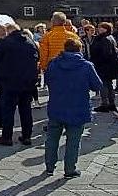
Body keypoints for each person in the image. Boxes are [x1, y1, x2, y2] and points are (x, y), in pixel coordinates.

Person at [44, 39, 103, 177]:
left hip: (56, 104)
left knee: (52, 137)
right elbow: (97, 85)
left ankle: (49, 166)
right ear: (80, 49)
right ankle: (70, 169)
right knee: (73, 140)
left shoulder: (53, 63)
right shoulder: (86, 66)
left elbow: (47, 80)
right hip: (78, 105)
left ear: (65, 48)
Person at [0, 24, 39, 146]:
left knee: (8, 110)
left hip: (9, 82)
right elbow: (36, 58)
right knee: (26, 110)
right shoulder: (30, 42)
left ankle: (7, 137)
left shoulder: (6, 43)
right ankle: (27, 136)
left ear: (9, 31)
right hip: (28, 82)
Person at [89, 22, 118, 112]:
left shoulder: (104, 39)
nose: (99, 29)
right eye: (99, 27)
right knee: (108, 84)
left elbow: (106, 53)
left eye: (102, 28)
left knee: (104, 84)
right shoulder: (108, 37)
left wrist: (97, 61)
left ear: (106, 29)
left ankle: (105, 104)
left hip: (104, 65)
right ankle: (110, 104)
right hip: (109, 65)